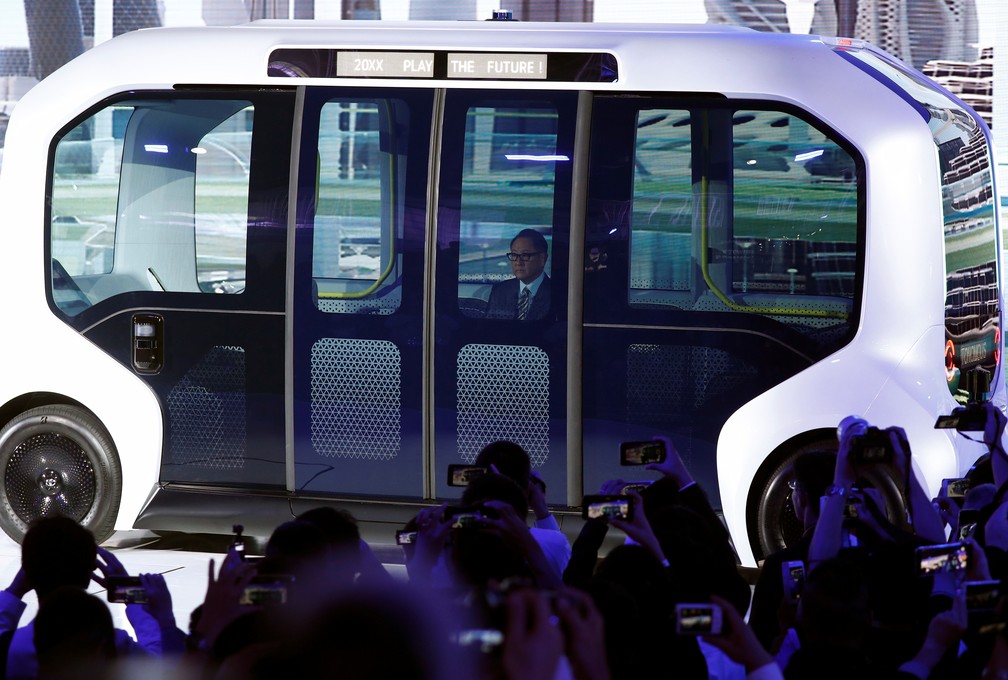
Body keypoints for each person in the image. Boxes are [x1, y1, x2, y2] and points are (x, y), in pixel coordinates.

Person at [485, 228, 552, 321]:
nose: (518, 262)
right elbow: (488, 329)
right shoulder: (500, 290)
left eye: (525, 255)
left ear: (542, 258)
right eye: (514, 255)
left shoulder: (557, 294)